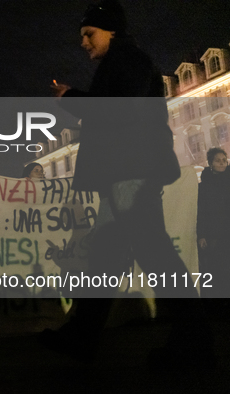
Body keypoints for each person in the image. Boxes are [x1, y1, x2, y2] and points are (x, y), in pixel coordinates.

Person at [49, 0, 211, 366]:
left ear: (112, 31)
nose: (84, 43)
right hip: (124, 171)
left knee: (153, 252)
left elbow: (119, 112)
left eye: (89, 34)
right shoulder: (122, 62)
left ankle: (194, 342)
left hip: (131, 172)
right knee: (105, 259)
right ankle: (82, 335)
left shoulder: (128, 60)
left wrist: (71, 98)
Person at [197, 148, 230, 301]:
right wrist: (202, 234)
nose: (222, 163)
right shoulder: (204, 186)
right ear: (210, 163)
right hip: (214, 233)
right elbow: (201, 211)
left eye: (224, 160)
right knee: (217, 268)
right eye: (218, 160)